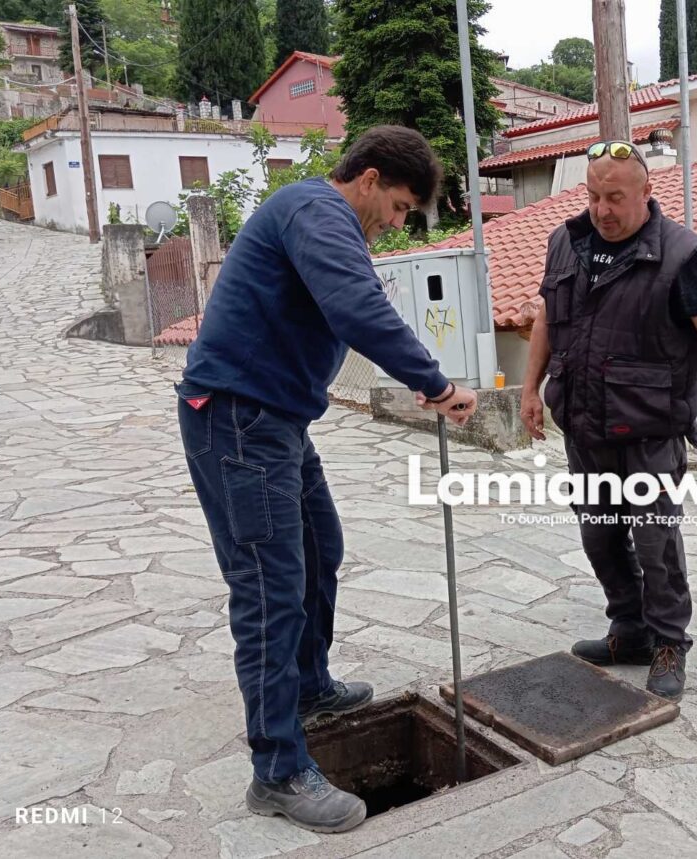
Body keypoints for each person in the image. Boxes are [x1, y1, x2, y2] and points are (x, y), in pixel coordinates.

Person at [175, 125, 477, 834]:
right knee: (269, 587)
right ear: (369, 179)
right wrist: (435, 384)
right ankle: (278, 770)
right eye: (398, 207)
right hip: (239, 419)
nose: (396, 223)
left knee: (319, 550)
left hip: (274, 418)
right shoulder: (318, 210)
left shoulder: (318, 217)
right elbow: (357, 308)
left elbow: (348, 304)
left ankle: (308, 689)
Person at [519, 140, 697, 702]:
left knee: (656, 541)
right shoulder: (565, 241)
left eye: (614, 198)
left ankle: (669, 642)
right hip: (584, 422)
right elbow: (547, 318)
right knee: (599, 535)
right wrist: (530, 389)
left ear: (646, 192)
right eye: (593, 196)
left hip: (651, 427)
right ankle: (629, 629)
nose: (601, 210)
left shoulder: (682, 254)